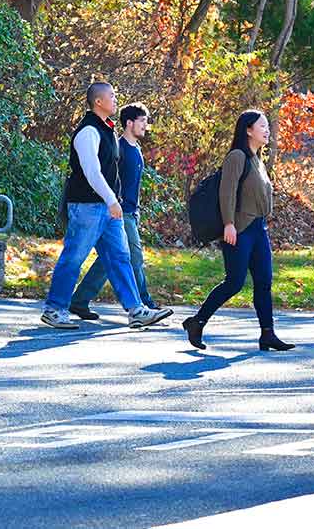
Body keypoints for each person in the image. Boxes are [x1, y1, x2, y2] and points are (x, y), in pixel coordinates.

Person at [39, 82, 172, 330]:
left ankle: (136, 310)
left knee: (120, 258)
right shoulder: (88, 131)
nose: (115, 98)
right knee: (74, 257)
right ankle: (54, 309)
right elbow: (92, 171)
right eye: (111, 95)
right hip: (87, 206)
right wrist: (111, 199)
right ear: (98, 101)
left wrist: (113, 202)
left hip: (108, 208)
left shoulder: (107, 130)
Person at [183, 110, 294, 351]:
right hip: (239, 228)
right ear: (248, 130)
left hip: (258, 229)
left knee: (264, 282)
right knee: (234, 282)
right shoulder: (237, 156)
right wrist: (228, 224)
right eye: (262, 126)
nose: (267, 130)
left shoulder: (257, 160)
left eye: (267, 126)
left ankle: (268, 334)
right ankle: (197, 322)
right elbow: (227, 192)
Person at [69, 103, 160, 319]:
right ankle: (145, 304)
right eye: (142, 121)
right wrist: (111, 203)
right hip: (118, 211)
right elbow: (106, 177)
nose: (146, 125)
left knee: (108, 260)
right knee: (134, 257)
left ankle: (79, 301)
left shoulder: (136, 149)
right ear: (129, 123)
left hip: (130, 211)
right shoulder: (118, 148)